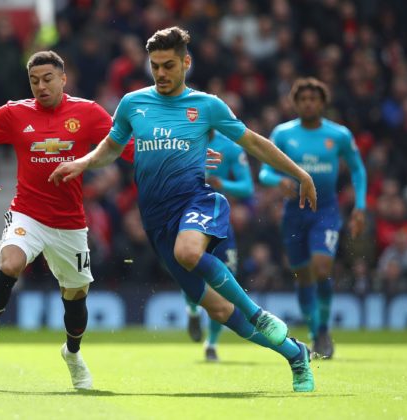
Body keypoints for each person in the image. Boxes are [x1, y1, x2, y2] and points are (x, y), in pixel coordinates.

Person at [50, 27, 317, 392]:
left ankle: (259, 314)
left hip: (197, 201)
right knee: (220, 311)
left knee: (188, 252)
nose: (160, 73)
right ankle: (295, 354)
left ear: (186, 63)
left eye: (169, 65)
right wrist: (82, 163)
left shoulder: (207, 106)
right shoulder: (132, 104)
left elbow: (254, 142)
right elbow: (111, 148)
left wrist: (300, 173)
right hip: (156, 221)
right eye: (155, 65)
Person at [0, 51, 112, 390]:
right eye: (34, 81)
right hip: (27, 213)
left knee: (76, 295)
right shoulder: (14, 113)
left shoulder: (89, 112)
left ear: (63, 79)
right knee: (10, 263)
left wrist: (181, 159)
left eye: (47, 79)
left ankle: (72, 354)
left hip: (70, 223)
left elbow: (125, 147)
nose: (41, 86)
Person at [122, 131, 254, 362]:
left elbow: (247, 187)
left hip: (217, 220)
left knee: (225, 283)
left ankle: (211, 343)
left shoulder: (230, 147)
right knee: (190, 267)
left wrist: (222, 184)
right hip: (187, 220)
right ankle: (192, 309)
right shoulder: (179, 138)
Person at [259, 77, 367, 359]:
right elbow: (264, 171)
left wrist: (360, 207)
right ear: (295, 103)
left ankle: (322, 331)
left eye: (313, 99)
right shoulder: (283, 134)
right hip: (294, 213)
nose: (308, 104)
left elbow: (357, 169)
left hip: (325, 211)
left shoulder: (338, 135)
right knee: (303, 275)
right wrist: (278, 181)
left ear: (322, 103)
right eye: (303, 99)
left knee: (321, 267)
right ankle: (313, 330)